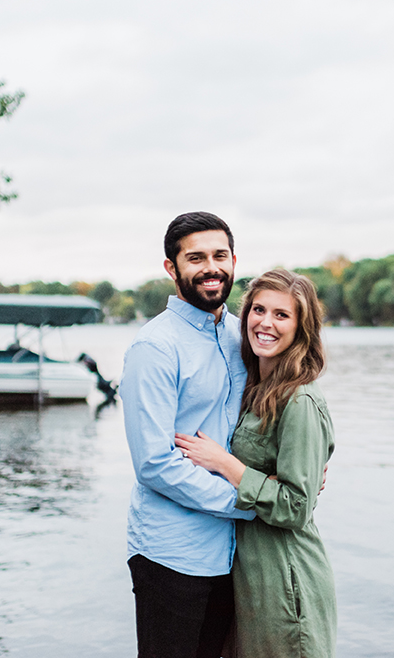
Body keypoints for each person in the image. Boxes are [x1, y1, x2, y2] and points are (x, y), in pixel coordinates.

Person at [176, 268, 337, 658]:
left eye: (282, 315)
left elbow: (296, 507)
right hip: (249, 580)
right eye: (259, 310)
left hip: (286, 580)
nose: (266, 323)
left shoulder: (299, 401)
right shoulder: (255, 388)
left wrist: (226, 464)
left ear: (302, 327)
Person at [118, 211, 255, 658]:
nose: (210, 268)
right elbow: (154, 463)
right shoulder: (155, 347)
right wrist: (254, 502)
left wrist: (303, 467)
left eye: (219, 255)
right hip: (172, 553)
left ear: (234, 260)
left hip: (234, 556)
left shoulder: (244, 334)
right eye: (195, 258)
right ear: (171, 267)